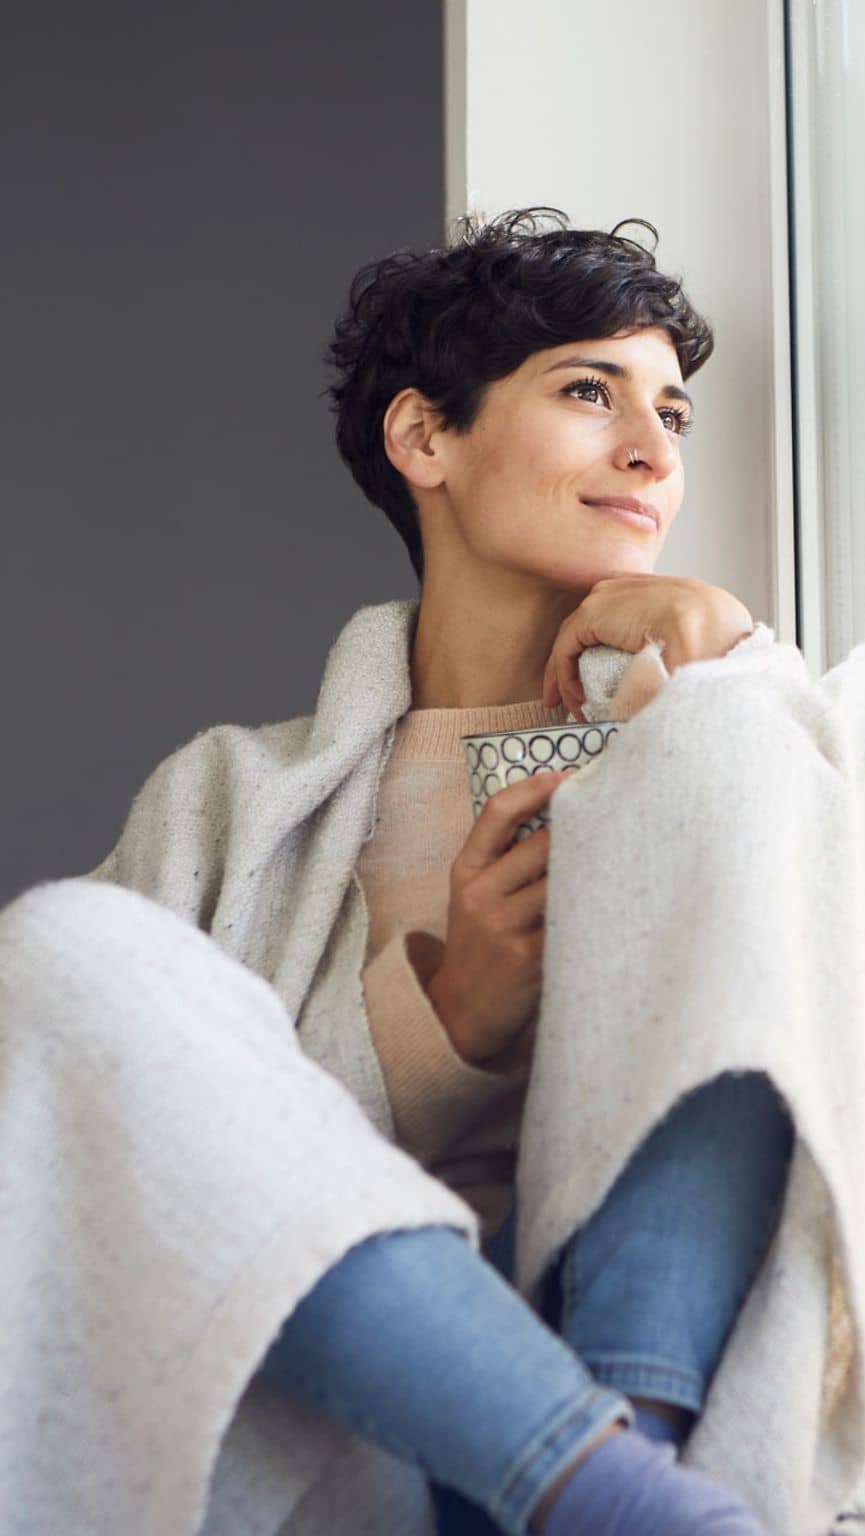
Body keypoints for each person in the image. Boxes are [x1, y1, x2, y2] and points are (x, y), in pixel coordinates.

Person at [0, 209, 792, 1536]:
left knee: (746, 745)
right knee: (62, 945)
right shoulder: (223, 802)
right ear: (426, 438)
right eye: (590, 393)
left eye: (674, 412)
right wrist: (440, 1029)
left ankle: (625, 1464)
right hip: (372, 1453)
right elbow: (142, 1190)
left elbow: (858, 1016)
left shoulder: (720, 716)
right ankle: (595, 1491)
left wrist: (738, 654)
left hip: (670, 1398)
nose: (653, 450)